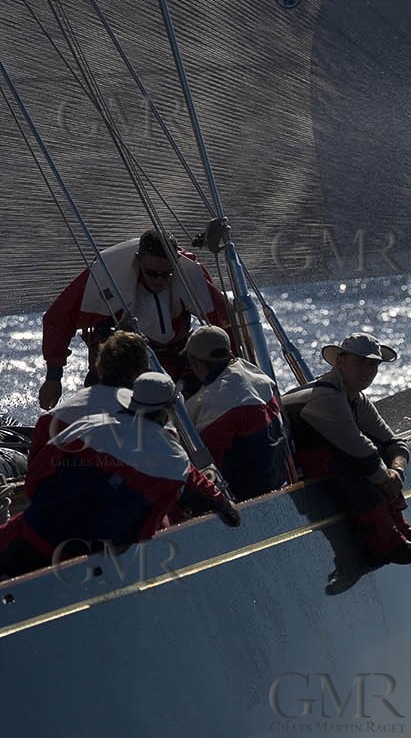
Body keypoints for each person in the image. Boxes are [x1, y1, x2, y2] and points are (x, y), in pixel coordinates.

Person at [0, 372, 240, 580]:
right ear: (167, 411)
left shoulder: (88, 426)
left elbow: (36, 477)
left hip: (35, 534)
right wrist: (225, 506)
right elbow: (200, 490)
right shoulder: (175, 458)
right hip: (97, 560)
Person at [281, 333, 411, 567]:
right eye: (359, 362)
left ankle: (403, 530)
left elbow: (392, 442)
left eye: (373, 365)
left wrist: (397, 470)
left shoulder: (355, 397)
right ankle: (387, 545)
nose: (367, 370)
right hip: (293, 469)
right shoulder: (326, 396)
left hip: (328, 461)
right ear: (340, 362)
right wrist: (386, 478)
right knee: (355, 466)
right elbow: (360, 450)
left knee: (375, 456)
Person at [39, 230, 236, 409]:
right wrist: (54, 378)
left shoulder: (190, 273)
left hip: (175, 356)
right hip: (119, 363)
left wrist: (232, 367)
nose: (160, 281)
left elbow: (226, 321)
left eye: (166, 274)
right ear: (138, 259)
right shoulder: (106, 274)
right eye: (152, 273)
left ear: (175, 261)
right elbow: (58, 320)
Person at [184, 324, 289, 501]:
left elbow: (206, 459)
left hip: (247, 494)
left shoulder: (214, 401)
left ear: (197, 363)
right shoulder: (258, 377)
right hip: (278, 479)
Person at [28, 329, 150, 463]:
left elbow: (35, 475)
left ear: (99, 365)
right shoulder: (153, 423)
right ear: (143, 372)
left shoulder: (50, 420)